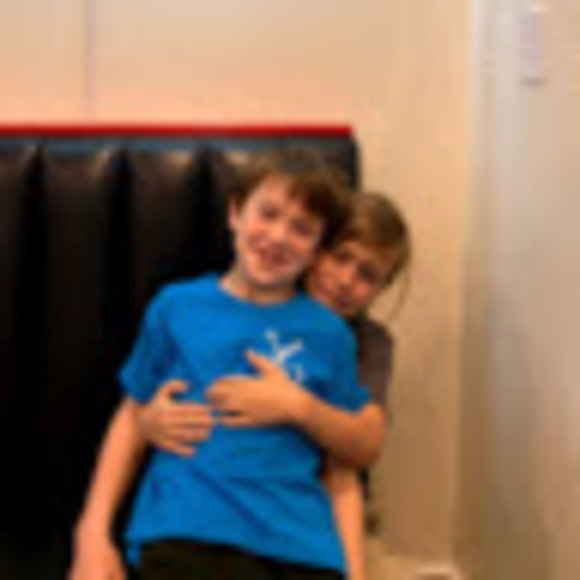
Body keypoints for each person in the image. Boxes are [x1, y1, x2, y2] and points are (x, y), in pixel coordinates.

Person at [70, 150, 388, 580]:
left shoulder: (330, 336)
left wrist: (356, 573)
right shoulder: (176, 307)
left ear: (316, 248)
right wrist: (92, 534)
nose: (278, 237)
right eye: (268, 214)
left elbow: (345, 468)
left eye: (301, 229)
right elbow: (130, 416)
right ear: (235, 213)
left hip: (299, 545)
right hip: (187, 531)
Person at [135, 192, 411, 579]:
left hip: (315, 513)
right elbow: (153, 396)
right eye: (340, 257)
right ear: (315, 247)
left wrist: (297, 406)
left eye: (367, 275)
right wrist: (147, 420)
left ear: (382, 288)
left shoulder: (365, 342)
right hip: (213, 515)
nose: (346, 281)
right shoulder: (233, 301)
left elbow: (360, 449)